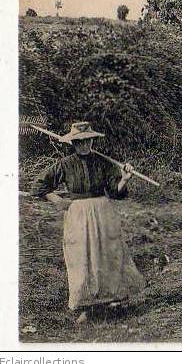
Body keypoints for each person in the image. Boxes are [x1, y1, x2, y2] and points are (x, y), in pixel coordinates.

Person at [31, 122, 146, 324]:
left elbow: (114, 192)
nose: (84, 145)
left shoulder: (102, 162)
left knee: (108, 254)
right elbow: (39, 185)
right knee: (80, 257)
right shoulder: (65, 164)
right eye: (79, 142)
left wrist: (125, 179)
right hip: (78, 213)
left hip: (103, 210)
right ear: (73, 143)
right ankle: (85, 306)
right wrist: (56, 199)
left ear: (92, 140)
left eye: (88, 141)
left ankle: (112, 300)